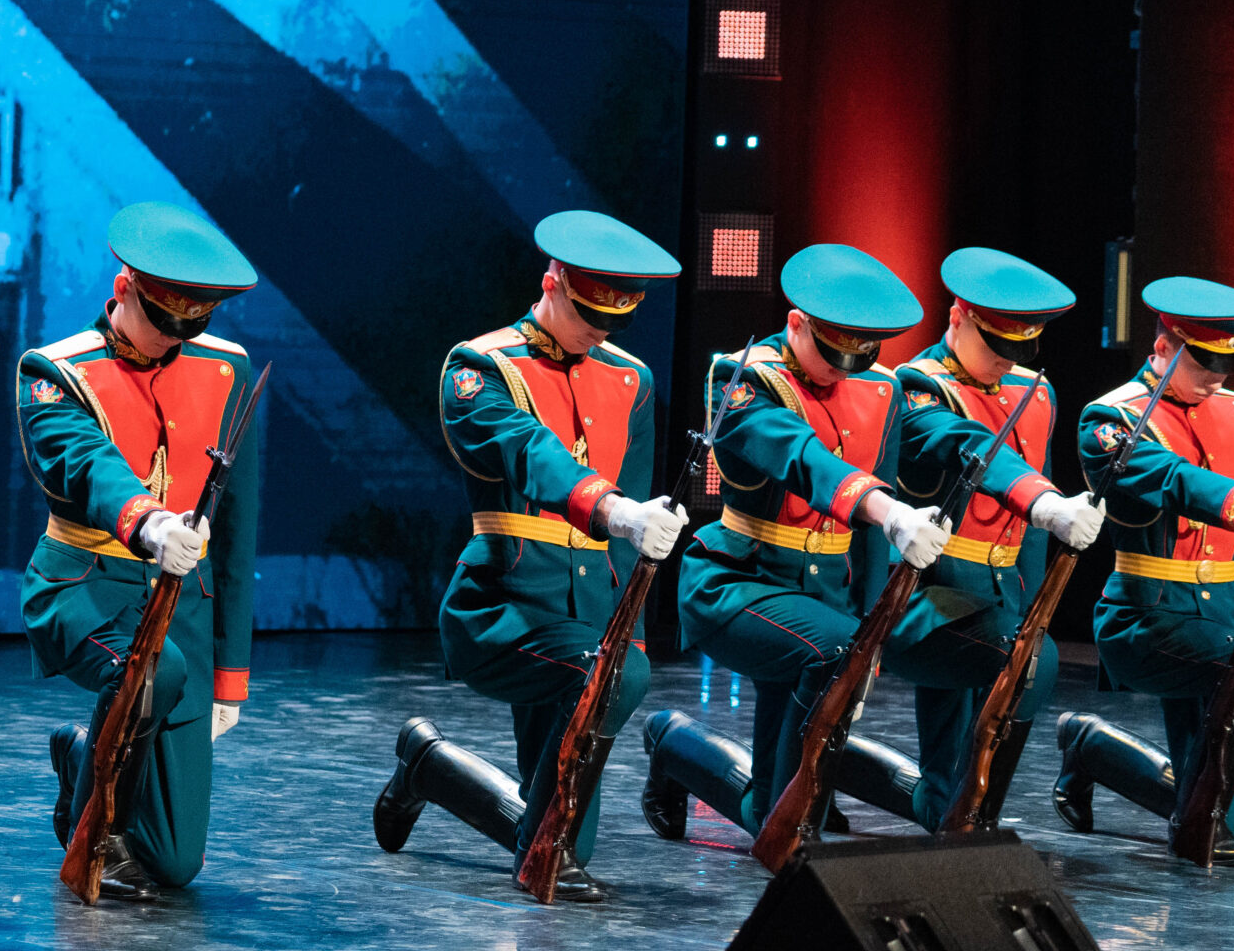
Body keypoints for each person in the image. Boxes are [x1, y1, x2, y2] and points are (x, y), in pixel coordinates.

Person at [371, 211, 683, 902]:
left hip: (586, 616)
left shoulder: (631, 378)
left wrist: (626, 628)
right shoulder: (480, 367)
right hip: (502, 605)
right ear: (552, 283)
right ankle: (451, 777)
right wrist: (615, 510)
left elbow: (630, 540)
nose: (600, 331)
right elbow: (531, 452)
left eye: (616, 318)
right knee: (557, 827)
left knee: (556, 836)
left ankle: (428, 764)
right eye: (589, 314)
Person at [640, 244, 952, 844]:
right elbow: (801, 457)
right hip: (741, 582)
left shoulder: (880, 389)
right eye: (832, 351)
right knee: (788, 806)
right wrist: (888, 510)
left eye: (858, 353)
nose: (842, 368)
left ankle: (680, 748)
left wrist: (871, 627)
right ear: (796, 324)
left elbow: (867, 540)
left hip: (824, 597)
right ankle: (735, 783)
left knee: (771, 800)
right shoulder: (742, 377)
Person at [24, 202, 261, 901]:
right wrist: (149, 523)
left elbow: (237, 530)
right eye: (161, 322)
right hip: (84, 585)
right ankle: (93, 824)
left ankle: (81, 756)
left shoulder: (228, 368)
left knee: (175, 862)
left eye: (190, 326)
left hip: (182, 610)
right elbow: (87, 463)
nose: (171, 341)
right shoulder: (54, 371)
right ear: (123, 289)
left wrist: (232, 674)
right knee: (154, 671)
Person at [828, 248, 1103, 830]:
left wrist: (1033, 603)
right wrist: (1044, 500)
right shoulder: (916, 387)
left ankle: (953, 812)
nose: (1006, 361)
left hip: (1002, 594)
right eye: (995, 345)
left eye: (1019, 348)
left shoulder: (1035, 391)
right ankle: (935, 806)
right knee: (995, 703)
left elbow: (1027, 537)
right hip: (931, 595)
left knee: (970, 766)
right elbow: (969, 445)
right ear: (957, 319)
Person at [1054, 277, 1234, 863]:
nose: (1218, 376)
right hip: (1146, 617)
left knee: (1212, 796)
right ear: (1163, 347)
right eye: (1204, 362)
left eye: (1229, 363)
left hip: (1219, 615)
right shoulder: (1112, 418)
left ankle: (1092, 747)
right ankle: (1218, 792)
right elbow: (1173, 479)